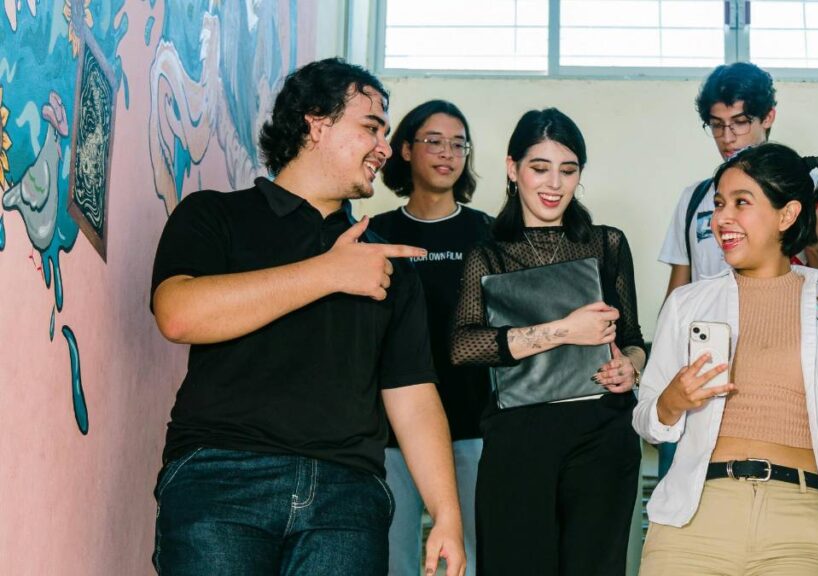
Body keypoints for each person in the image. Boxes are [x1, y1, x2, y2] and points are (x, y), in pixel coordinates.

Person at [149, 58, 466, 576]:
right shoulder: (214, 214)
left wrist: (446, 515)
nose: (385, 148)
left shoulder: (387, 263)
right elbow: (179, 314)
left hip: (348, 499)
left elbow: (412, 397)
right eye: (371, 127)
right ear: (316, 124)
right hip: (220, 478)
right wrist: (328, 273)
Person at [634, 143, 818, 576]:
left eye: (741, 203)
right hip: (693, 521)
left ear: (787, 215)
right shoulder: (687, 303)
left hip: (802, 524)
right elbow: (646, 420)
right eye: (719, 204)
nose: (721, 219)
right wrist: (671, 401)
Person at [449, 108, 645, 576]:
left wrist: (631, 367)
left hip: (602, 431)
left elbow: (634, 339)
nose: (554, 184)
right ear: (512, 168)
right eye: (540, 168)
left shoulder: (607, 243)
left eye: (568, 170)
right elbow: (463, 346)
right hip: (518, 436)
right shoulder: (487, 254)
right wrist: (565, 330)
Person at [656, 62, 818, 477]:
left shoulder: (810, 192)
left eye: (740, 122)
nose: (728, 137)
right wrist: (660, 374)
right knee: (683, 486)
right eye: (717, 125)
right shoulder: (693, 199)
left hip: (782, 368)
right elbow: (677, 291)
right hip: (704, 367)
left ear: (768, 118)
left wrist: (813, 235)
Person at [369, 100, 492, 576]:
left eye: (458, 144)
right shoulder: (376, 234)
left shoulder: (487, 233)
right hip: (390, 432)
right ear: (405, 150)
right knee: (391, 562)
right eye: (434, 142)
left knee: (472, 560)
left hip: (472, 426)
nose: (447, 153)